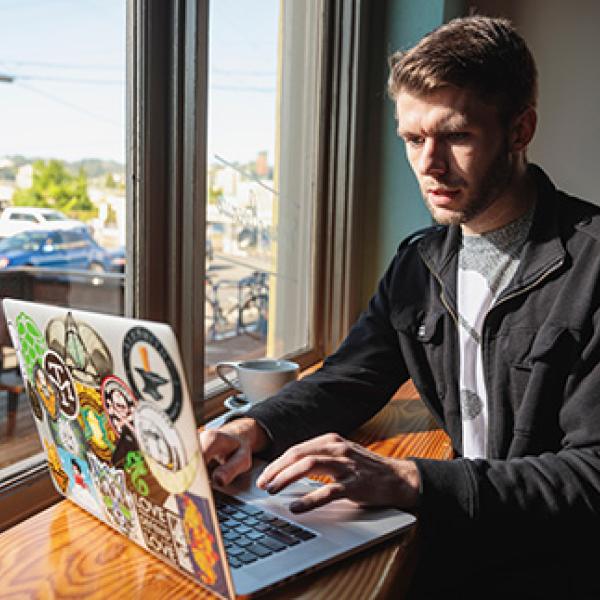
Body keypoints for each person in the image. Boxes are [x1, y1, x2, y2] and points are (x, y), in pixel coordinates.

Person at [201, 15, 600, 598]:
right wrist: (251, 428)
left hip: (554, 563)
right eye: (413, 138)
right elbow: (349, 377)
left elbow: (591, 475)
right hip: (456, 533)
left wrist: (412, 478)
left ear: (520, 130)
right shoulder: (420, 263)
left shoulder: (591, 267)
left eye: (456, 135)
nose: (429, 164)